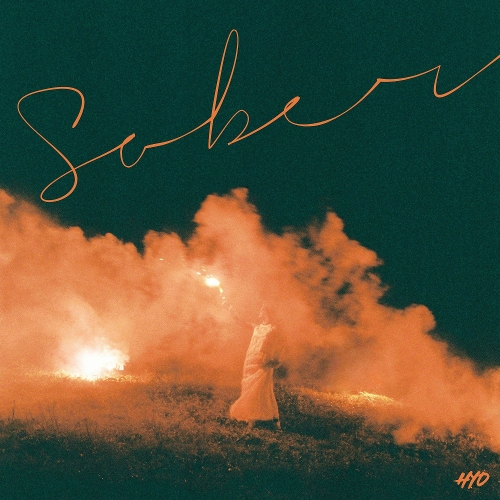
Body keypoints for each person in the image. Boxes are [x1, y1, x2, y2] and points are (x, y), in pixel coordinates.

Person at [230, 307, 282, 430]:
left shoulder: (273, 329)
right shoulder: (257, 327)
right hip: (250, 359)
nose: (260, 312)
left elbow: (280, 345)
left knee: (263, 389)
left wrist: (276, 360)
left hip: (263, 361)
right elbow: (241, 322)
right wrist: (231, 311)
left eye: (262, 310)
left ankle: (273, 419)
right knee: (249, 387)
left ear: (267, 312)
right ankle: (250, 417)